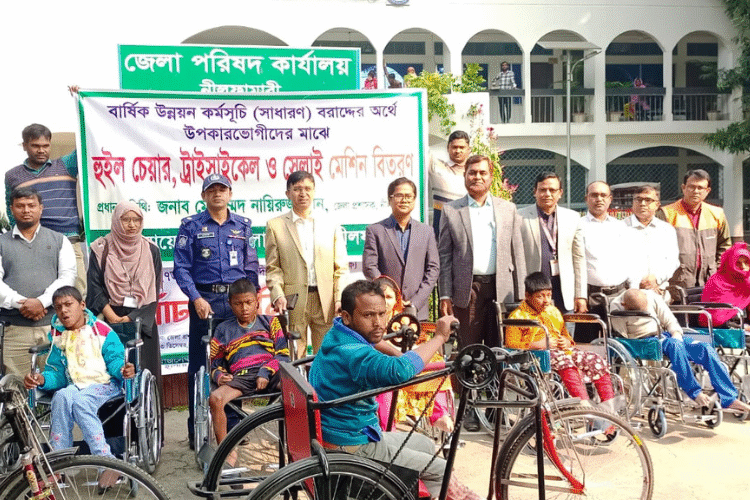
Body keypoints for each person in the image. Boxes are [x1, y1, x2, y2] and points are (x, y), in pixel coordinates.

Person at [308, 280, 481, 500]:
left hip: (340, 432)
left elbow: (377, 342)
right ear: (347, 316)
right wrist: (439, 337)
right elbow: (400, 371)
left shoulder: (339, 333)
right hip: (352, 445)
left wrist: (399, 356)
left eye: (382, 314)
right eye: (368, 315)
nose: (378, 323)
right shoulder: (355, 355)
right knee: (441, 470)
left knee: (425, 444)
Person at [173, 173, 259, 449]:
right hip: (205, 302)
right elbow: (181, 268)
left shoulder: (243, 226)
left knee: (237, 363)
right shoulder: (190, 226)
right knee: (201, 366)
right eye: (212, 190)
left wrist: (252, 301)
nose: (217, 194)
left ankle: (233, 428)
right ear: (204, 196)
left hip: (236, 302)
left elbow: (251, 267)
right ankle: (196, 431)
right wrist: (196, 298)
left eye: (222, 189)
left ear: (230, 194)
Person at [23, 286, 135, 488]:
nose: (63, 311)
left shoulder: (102, 331)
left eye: (68, 304)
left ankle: (107, 462)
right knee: (61, 396)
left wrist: (122, 370)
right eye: (58, 307)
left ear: (82, 305)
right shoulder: (59, 337)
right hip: (75, 385)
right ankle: (58, 466)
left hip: (105, 383)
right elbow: (57, 373)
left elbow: (115, 360)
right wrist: (42, 379)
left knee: (82, 402)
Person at [610, 288, 750, 414]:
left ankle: (729, 398)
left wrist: (676, 334)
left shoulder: (651, 296)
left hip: (664, 335)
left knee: (705, 348)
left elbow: (669, 320)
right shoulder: (616, 306)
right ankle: (694, 392)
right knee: (675, 346)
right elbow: (624, 335)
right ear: (624, 305)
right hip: (641, 340)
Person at [438, 154, 526, 349]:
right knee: (469, 349)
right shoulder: (451, 211)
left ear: (491, 177)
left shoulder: (508, 209)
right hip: (467, 291)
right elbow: (444, 257)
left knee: (501, 347)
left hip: (501, 290)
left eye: (482, 173)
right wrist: (445, 295)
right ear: (465, 176)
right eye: (472, 173)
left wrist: (521, 295)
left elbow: (517, 253)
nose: (477, 177)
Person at [265, 170, 349, 357]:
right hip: (292, 301)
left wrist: (339, 298)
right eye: (297, 189)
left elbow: (341, 268)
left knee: (327, 355)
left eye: (307, 189)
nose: (303, 194)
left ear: (314, 191)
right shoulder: (275, 225)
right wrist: (278, 294)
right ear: (288, 193)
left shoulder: (330, 223)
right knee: (295, 356)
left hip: (325, 301)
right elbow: (273, 268)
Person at [87, 201, 163, 403]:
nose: (132, 225)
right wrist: (112, 317)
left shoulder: (151, 250)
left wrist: (131, 318)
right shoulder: (101, 248)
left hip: (143, 321)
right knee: (113, 373)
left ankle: (148, 422)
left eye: (136, 220)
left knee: (145, 377)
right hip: (109, 322)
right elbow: (94, 288)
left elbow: (154, 291)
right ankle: (114, 424)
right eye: (126, 219)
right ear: (116, 221)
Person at [505, 272, 616, 409]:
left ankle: (610, 407)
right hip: (536, 355)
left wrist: (566, 341)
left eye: (548, 295)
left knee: (595, 359)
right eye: (540, 296)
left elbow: (567, 336)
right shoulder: (518, 316)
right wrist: (538, 344)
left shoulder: (554, 312)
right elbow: (511, 344)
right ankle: (584, 405)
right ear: (527, 296)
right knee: (565, 361)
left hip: (562, 351)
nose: (546, 300)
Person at [0, 186, 76, 374]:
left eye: (31, 205)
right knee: (16, 386)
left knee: (56, 381)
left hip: (54, 328)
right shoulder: (1, 242)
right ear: (12, 209)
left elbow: (67, 277)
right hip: (15, 330)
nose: (26, 210)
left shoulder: (60, 241)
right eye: (20, 206)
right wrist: (23, 304)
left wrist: (41, 302)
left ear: (41, 208)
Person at [5, 123, 86, 295]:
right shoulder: (13, 175)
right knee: (38, 295)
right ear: (25, 145)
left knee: (76, 295)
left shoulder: (65, 165)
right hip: (33, 244)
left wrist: (86, 108)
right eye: (35, 146)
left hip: (69, 240)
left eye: (46, 145)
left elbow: (86, 143)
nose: (41, 150)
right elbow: (11, 208)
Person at [208, 279, 289, 444]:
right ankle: (226, 452)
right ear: (230, 304)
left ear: (257, 302)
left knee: (299, 391)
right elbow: (215, 364)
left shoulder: (271, 322)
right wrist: (219, 376)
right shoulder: (223, 330)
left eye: (248, 302)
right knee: (215, 399)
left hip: (272, 373)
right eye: (238, 304)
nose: (244, 308)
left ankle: (298, 448)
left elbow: (283, 355)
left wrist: (265, 372)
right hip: (242, 376)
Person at [372, 276, 454, 434]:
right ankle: (388, 428)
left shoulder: (403, 319)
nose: (385, 301)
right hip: (384, 366)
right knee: (386, 380)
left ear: (397, 300)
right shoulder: (368, 318)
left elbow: (418, 339)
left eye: (389, 297)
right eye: (381, 297)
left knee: (435, 362)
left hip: (405, 361)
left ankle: (439, 414)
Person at [363, 177, 439, 321]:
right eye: (399, 195)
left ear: (414, 200)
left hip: (417, 311)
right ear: (389, 199)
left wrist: (416, 302)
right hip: (385, 309)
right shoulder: (375, 230)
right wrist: (388, 296)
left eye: (409, 196)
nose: (404, 200)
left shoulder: (426, 232)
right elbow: (369, 266)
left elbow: (433, 269)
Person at [518, 172, 586, 313]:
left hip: (564, 292)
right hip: (533, 292)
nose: (547, 194)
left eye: (552, 190)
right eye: (542, 190)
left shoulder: (572, 218)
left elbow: (579, 258)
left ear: (560, 193)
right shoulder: (519, 217)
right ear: (535, 192)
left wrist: (580, 295)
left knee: (563, 328)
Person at [574, 181, 632, 342]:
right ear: (586, 198)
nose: (599, 199)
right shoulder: (578, 225)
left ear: (610, 199)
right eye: (594, 195)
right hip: (590, 297)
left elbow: (629, 259)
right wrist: (580, 296)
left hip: (618, 296)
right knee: (585, 345)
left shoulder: (620, 226)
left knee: (619, 343)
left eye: (603, 195)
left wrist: (631, 291)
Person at [663, 169, 730, 289]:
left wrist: (719, 273)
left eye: (700, 188)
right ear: (683, 188)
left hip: (710, 282)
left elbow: (724, 246)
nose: (696, 191)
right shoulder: (666, 213)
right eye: (691, 187)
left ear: (707, 191)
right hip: (676, 283)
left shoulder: (717, 214)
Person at [624, 185, 679, 302]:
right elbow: (618, 261)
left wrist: (656, 280)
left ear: (657, 205)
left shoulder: (666, 229)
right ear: (633, 203)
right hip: (629, 293)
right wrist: (637, 284)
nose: (643, 204)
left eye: (648, 200)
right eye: (638, 199)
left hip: (659, 291)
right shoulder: (620, 228)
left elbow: (673, 261)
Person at [428, 130, 471, 235]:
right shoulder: (437, 167)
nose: (458, 151)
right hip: (441, 230)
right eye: (454, 147)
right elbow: (421, 148)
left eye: (462, 147)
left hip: (466, 231)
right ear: (448, 148)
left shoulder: (474, 174)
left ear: (469, 150)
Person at [700, 242, 750, 328]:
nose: (743, 267)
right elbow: (715, 318)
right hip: (722, 328)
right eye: (738, 263)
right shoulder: (718, 281)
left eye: (746, 262)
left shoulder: (747, 280)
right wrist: (741, 327)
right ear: (730, 264)